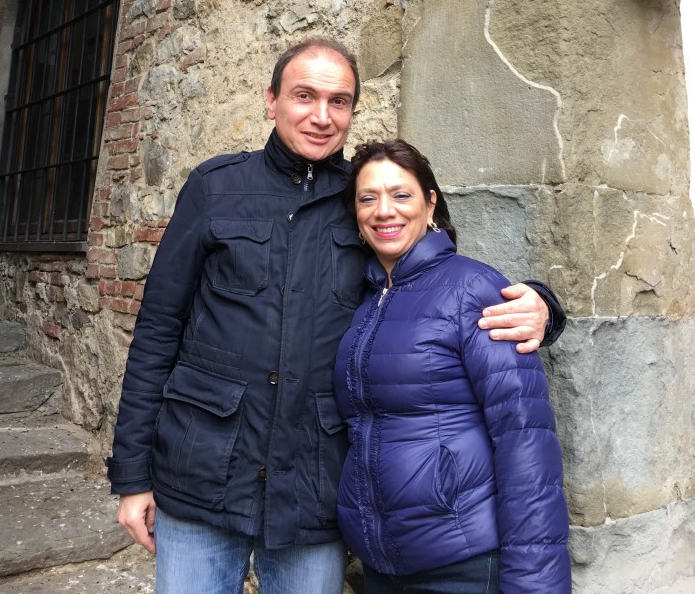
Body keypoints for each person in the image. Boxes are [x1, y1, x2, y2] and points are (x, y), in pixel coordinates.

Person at [105, 39, 566, 594]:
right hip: (200, 473)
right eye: (304, 96)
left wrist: (542, 304)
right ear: (271, 100)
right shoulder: (215, 187)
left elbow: (429, 285)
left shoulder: (362, 197)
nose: (321, 116)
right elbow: (158, 330)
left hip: (311, 488)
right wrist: (132, 475)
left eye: (339, 101)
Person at [334, 139, 571, 594]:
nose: (384, 211)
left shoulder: (472, 288)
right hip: (383, 567)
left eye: (401, 194)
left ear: (430, 204)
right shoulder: (362, 301)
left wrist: (535, 583)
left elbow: (524, 441)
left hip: (462, 564)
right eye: (368, 198)